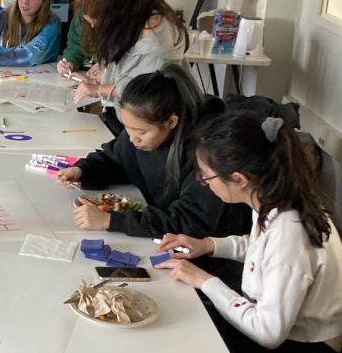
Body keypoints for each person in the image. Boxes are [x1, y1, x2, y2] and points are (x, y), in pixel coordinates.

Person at [155, 110, 342, 353]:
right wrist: (208, 245)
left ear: (239, 179)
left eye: (206, 177)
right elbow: (260, 246)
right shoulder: (274, 196)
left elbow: (268, 333)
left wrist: (205, 281)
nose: (203, 183)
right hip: (283, 331)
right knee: (181, 321)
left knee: (184, 346)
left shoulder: (290, 232)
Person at [56, 63, 250, 240]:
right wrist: (83, 171)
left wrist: (111, 221)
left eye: (141, 132)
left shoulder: (206, 152)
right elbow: (115, 160)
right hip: (162, 234)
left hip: (209, 248)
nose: (132, 139)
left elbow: (191, 220)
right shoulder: (139, 135)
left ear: (171, 122)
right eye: (127, 128)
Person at [72, 0, 188, 131]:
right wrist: (101, 76)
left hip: (144, 128)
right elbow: (125, 69)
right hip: (125, 120)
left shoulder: (156, 36)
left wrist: (97, 89)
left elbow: (143, 90)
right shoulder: (133, 18)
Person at [57, 0, 100, 81]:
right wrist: (69, 63)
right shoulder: (79, 19)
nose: (92, 26)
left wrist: (105, 66)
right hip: (89, 75)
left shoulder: (118, 24)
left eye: (96, 21)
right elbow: (75, 47)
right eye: (88, 21)